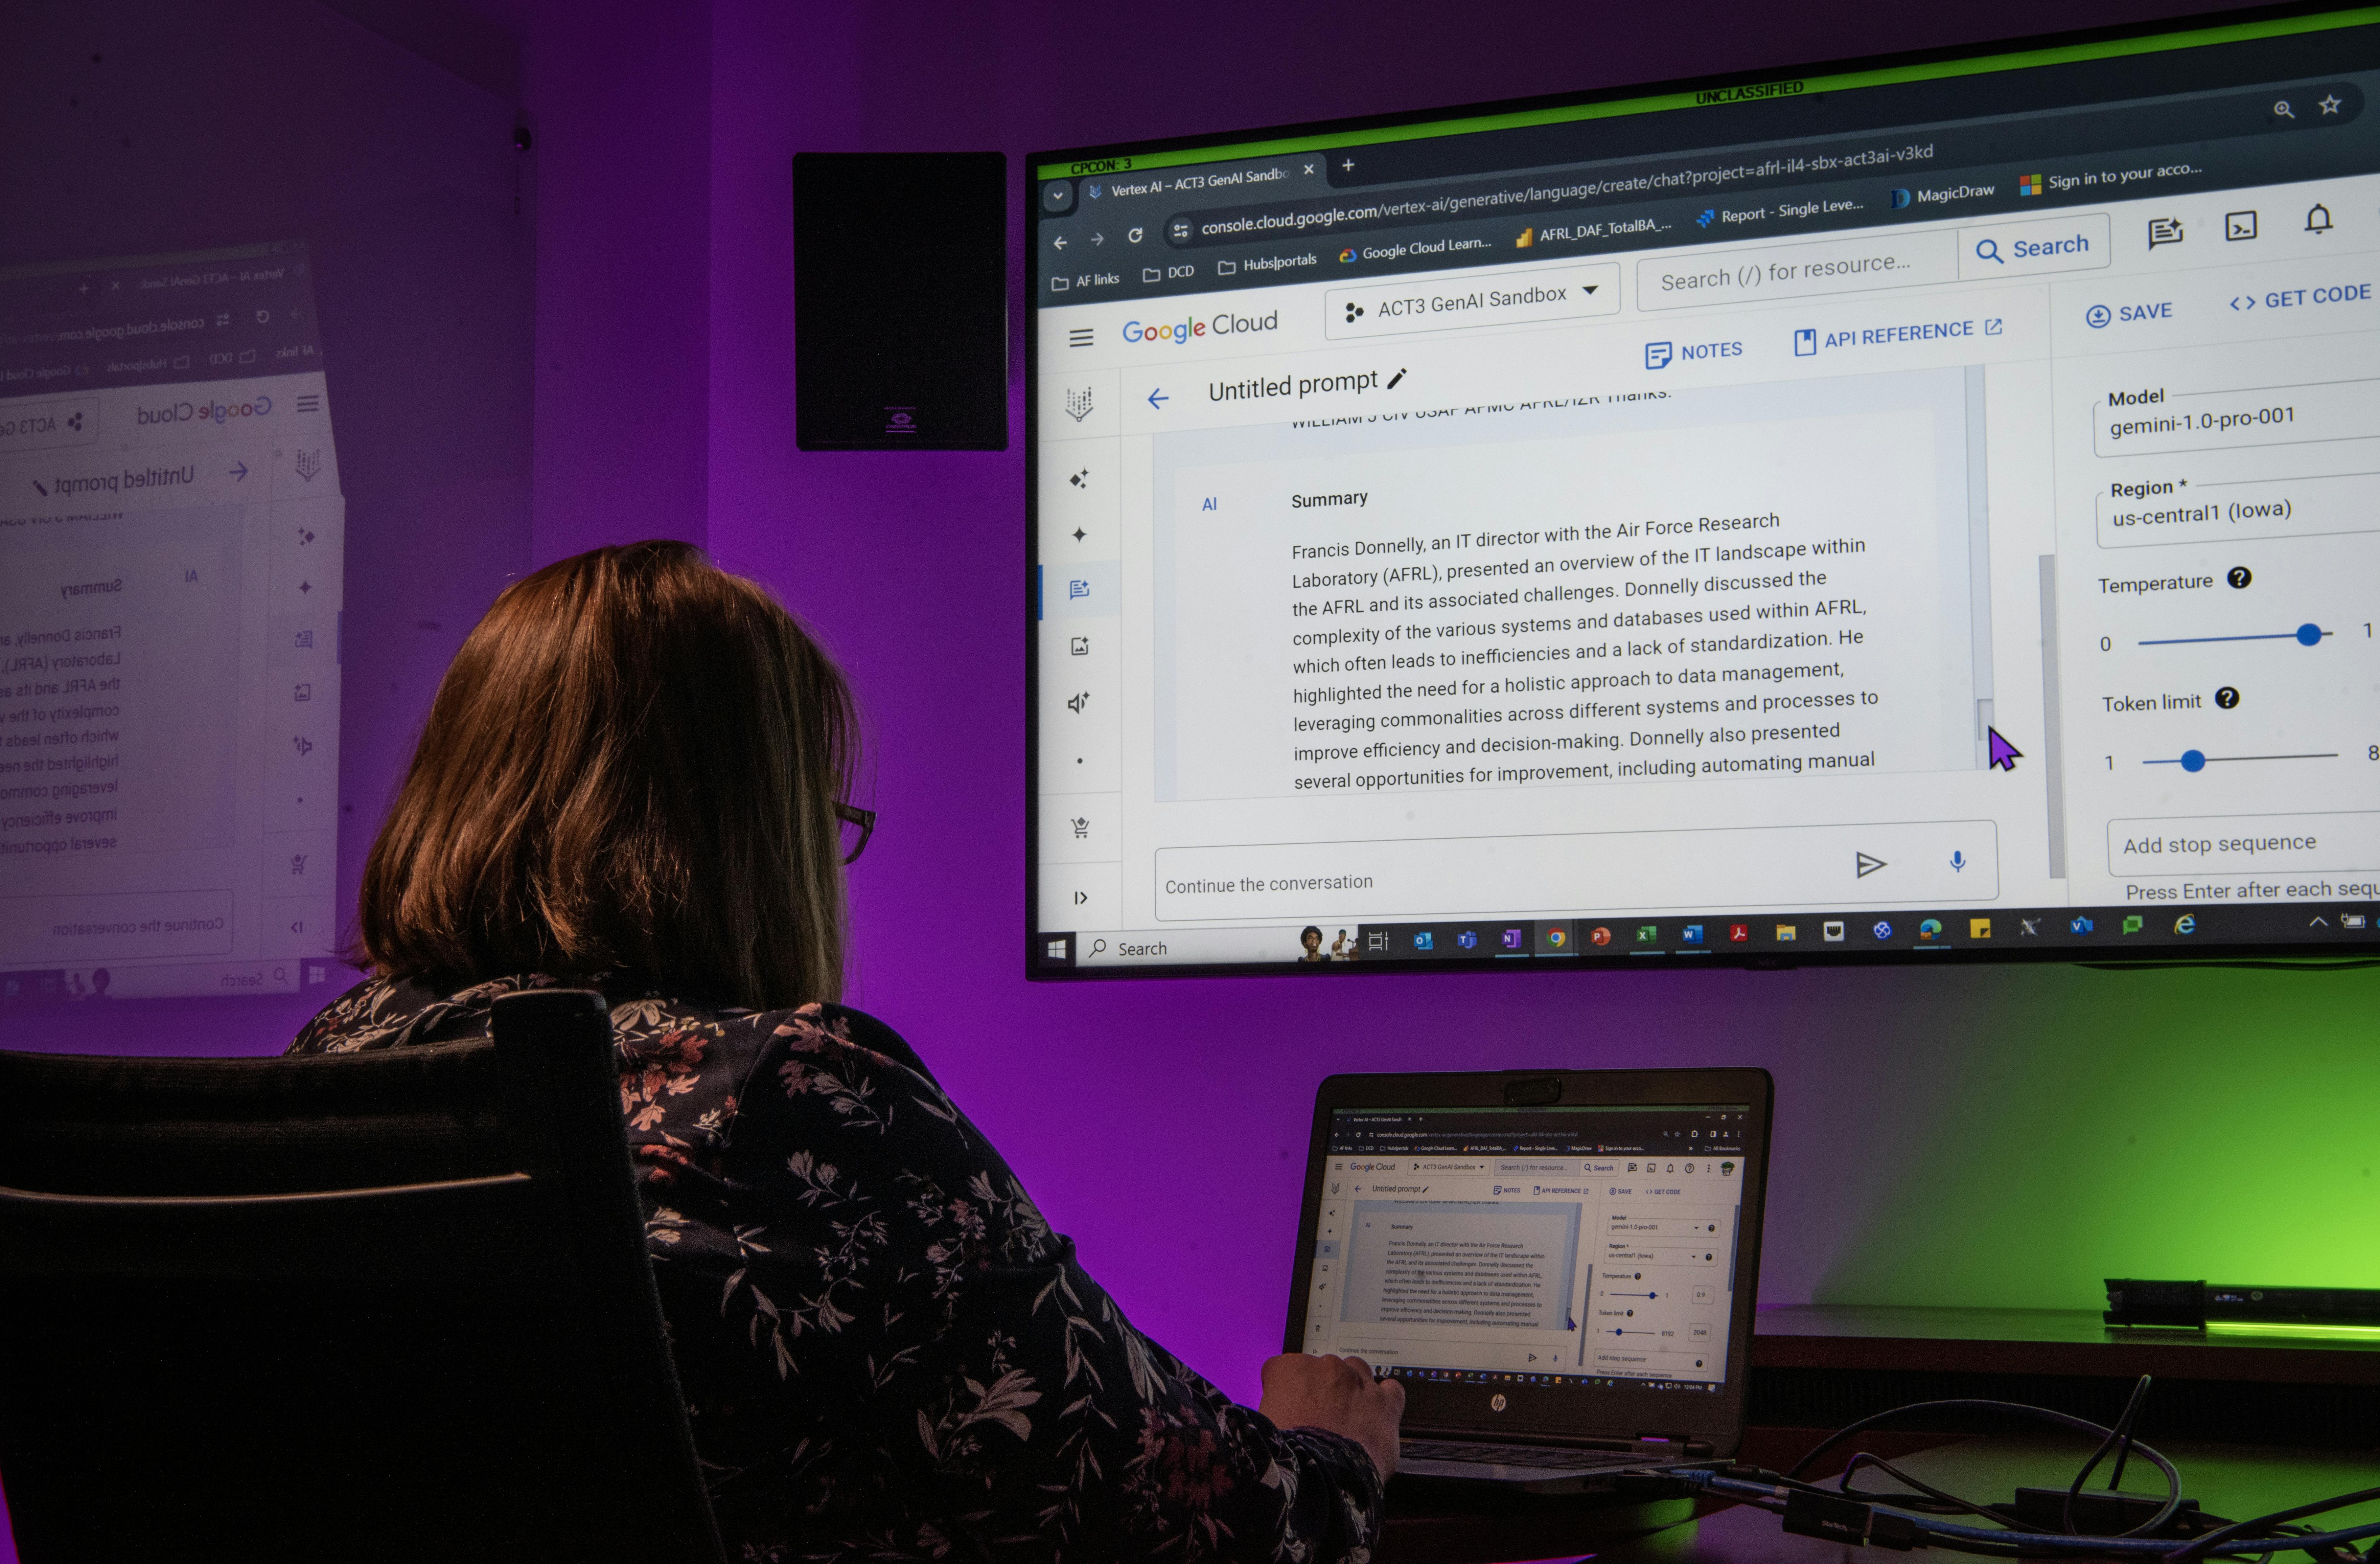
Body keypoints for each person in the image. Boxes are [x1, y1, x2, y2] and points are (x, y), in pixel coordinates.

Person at [287, 542, 1402, 1561]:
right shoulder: (787, 1097)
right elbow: (1206, 1523)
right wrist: (1328, 1449)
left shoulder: (333, 1072)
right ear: (749, 836)